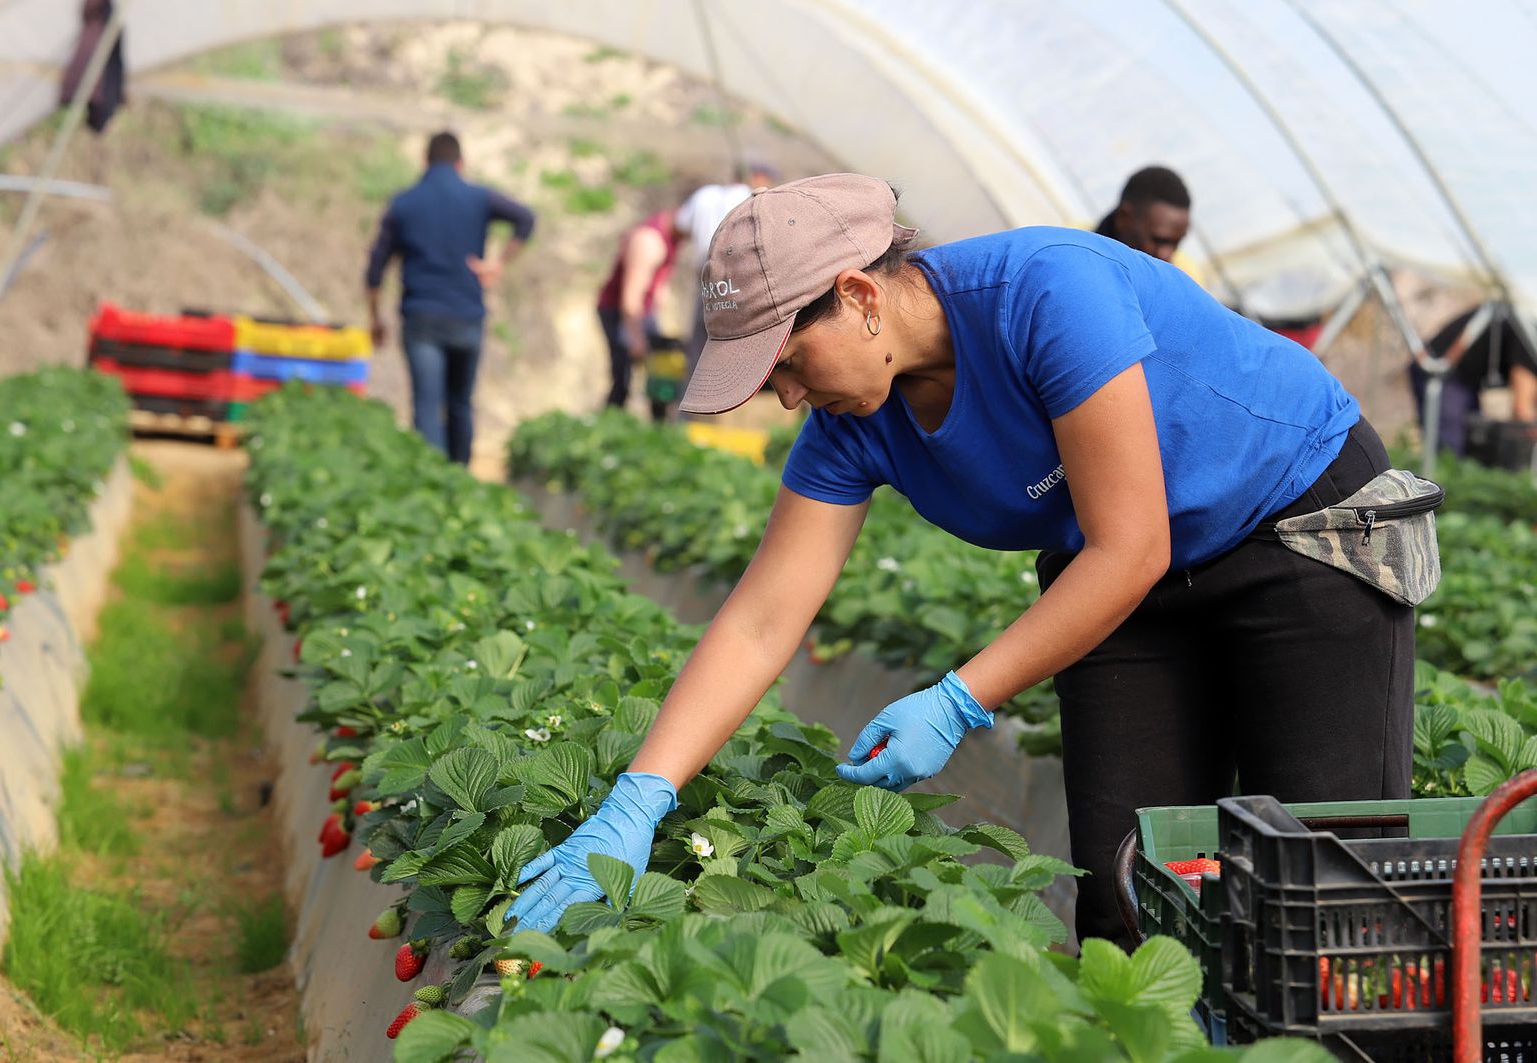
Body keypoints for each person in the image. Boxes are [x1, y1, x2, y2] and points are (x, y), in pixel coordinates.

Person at [509, 174, 1415, 948]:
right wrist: (634, 803)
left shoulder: (1047, 293)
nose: (784, 395)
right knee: (1126, 891)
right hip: (1123, 582)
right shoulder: (847, 427)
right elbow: (759, 620)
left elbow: (1130, 543)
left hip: (1297, 523)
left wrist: (958, 698)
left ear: (860, 297)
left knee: (1318, 880)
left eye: (785, 360)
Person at [365, 131, 535, 464]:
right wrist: (498, 263)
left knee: (427, 405)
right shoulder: (478, 197)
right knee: (460, 403)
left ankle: (434, 486)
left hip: (422, 317)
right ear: (461, 163)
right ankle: (461, 481)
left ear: (425, 161)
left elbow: (375, 270)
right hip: (467, 316)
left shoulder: (404, 203)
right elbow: (526, 218)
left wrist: (375, 318)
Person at [674, 162, 780, 407]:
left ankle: (689, 412)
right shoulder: (753, 201)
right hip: (739, 281)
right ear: (758, 176)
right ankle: (727, 411)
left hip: (705, 278)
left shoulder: (704, 195)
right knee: (734, 350)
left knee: (699, 348)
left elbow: (680, 227)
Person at [1410, 304, 1537, 455]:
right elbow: (1522, 411)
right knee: (1449, 448)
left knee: (1474, 442)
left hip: (1464, 380)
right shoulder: (1529, 336)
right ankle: (1443, 473)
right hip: (1442, 370)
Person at [597, 208, 684, 422]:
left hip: (643, 311)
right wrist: (635, 337)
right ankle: (609, 425)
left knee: (659, 374)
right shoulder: (648, 241)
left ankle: (657, 427)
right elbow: (630, 299)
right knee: (623, 375)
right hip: (620, 311)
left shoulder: (674, 237)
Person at [1095, 166, 1190, 264]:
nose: (1166, 255)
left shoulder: (1185, 272)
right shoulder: (1082, 262)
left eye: (1176, 243)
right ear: (1123, 217)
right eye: (1159, 241)